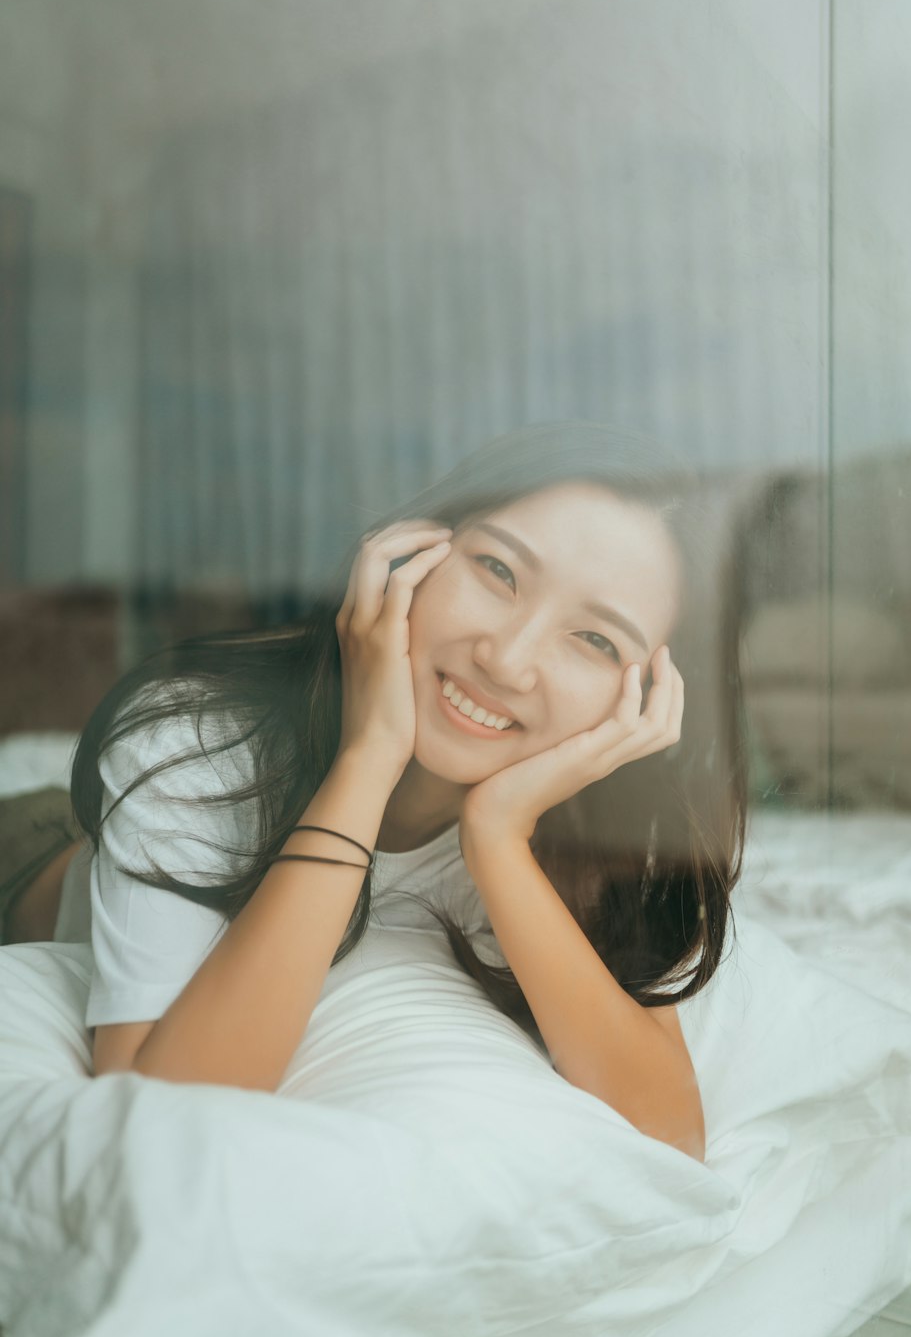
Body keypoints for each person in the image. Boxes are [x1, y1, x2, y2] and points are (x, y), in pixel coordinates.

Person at [0, 421, 748, 1160]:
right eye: (498, 571)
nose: (507, 659)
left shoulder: (577, 830)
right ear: (411, 548)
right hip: (26, 856)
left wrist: (496, 838)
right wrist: (369, 755)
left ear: (650, 696)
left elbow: (671, 1129)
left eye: (595, 640)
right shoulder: (197, 740)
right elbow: (161, 1104)